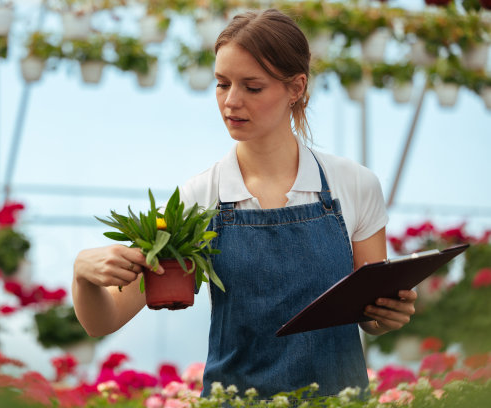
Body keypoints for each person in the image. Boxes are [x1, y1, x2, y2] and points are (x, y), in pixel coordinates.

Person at [72, 8, 416, 399]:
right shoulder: (198, 198)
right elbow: (105, 320)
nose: (231, 102)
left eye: (252, 87)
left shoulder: (354, 185)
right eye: (221, 84)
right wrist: (83, 274)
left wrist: (386, 317)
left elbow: (368, 314)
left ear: (296, 87)